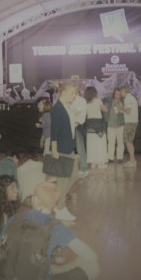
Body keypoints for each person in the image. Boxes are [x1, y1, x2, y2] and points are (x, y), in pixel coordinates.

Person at [0, 182, 100, 280]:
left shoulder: (14, 219)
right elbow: (91, 256)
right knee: (94, 267)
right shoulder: (56, 227)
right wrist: (61, 269)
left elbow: (1, 249)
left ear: (35, 200)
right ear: (55, 205)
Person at [50, 82, 79, 221]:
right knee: (64, 179)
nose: (74, 96)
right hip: (62, 148)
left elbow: (69, 128)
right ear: (63, 92)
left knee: (75, 175)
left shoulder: (66, 107)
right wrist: (54, 149)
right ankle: (60, 208)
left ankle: (58, 202)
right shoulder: (57, 109)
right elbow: (54, 131)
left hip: (68, 147)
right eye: (72, 93)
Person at [84, 86, 108, 170]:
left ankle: (93, 163)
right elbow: (105, 110)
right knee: (100, 144)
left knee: (91, 144)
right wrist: (106, 106)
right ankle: (101, 163)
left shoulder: (85, 102)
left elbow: (85, 114)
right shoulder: (98, 100)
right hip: (98, 124)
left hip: (90, 125)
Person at [69, 85, 88, 178]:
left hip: (78, 127)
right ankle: (74, 169)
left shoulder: (81, 100)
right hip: (69, 127)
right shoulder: (69, 100)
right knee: (71, 149)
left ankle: (84, 169)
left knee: (80, 149)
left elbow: (81, 114)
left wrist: (77, 122)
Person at [104, 87, 125, 164]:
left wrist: (121, 108)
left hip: (120, 124)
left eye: (119, 94)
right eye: (116, 94)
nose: (118, 95)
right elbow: (105, 109)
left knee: (120, 142)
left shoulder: (123, 101)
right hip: (110, 124)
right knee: (111, 142)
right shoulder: (110, 101)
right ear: (114, 94)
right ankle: (110, 157)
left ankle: (120, 157)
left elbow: (126, 112)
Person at [121, 85, 139, 168]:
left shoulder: (128, 98)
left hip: (130, 122)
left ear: (124, 91)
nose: (121, 93)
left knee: (128, 142)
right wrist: (121, 110)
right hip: (131, 122)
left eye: (121, 91)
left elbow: (128, 112)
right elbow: (128, 111)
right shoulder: (130, 98)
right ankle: (132, 160)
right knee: (128, 142)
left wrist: (121, 108)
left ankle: (132, 161)